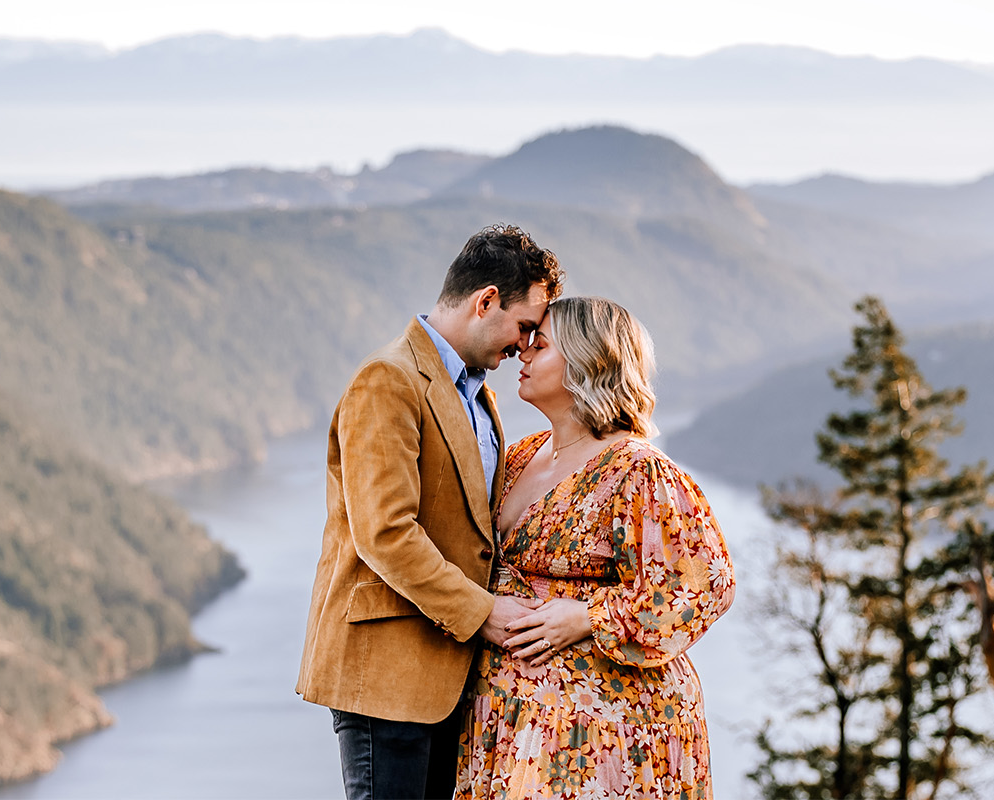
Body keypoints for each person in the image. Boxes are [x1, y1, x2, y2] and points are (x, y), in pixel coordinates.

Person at [297, 224, 565, 800]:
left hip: (449, 672)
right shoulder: (388, 380)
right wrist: (483, 612)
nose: (524, 347)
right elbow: (385, 533)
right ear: (485, 301)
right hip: (388, 673)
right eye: (523, 328)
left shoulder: (476, 391)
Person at [456, 296, 736, 800]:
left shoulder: (636, 470)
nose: (522, 354)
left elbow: (703, 585)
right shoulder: (519, 455)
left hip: (603, 736)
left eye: (538, 346)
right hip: (509, 722)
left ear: (587, 363)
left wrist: (588, 617)